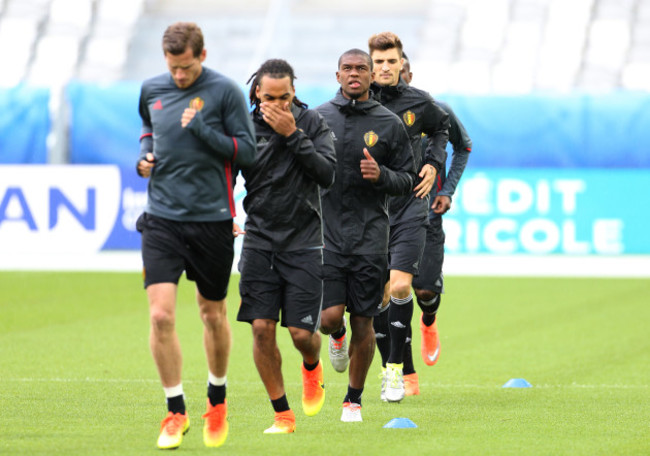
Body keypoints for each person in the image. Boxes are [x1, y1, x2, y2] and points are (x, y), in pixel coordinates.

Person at [135, 22, 256, 450]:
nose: (179, 76)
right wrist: (144, 157)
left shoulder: (225, 93)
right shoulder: (152, 89)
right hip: (162, 218)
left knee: (212, 313)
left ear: (201, 56)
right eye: (173, 68)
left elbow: (249, 152)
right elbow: (150, 130)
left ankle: (217, 399)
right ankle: (174, 411)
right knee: (161, 316)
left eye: (186, 68)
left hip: (212, 220)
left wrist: (203, 131)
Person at [235, 59, 336, 434]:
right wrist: (222, 209)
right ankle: (282, 415)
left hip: (305, 244)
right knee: (261, 328)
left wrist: (293, 134)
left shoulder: (311, 124)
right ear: (256, 94)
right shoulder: (243, 127)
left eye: (286, 97)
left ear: (295, 92)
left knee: (300, 336)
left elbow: (327, 174)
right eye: (270, 98)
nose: (278, 105)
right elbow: (223, 171)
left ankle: (311, 366)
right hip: (259, 241)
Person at [316, 49, 416, 422]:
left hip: (371, 239)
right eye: (348, 69)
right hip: (325, 237)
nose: (354, 74)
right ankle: (334, 335)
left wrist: (382, 176)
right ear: (337, 75)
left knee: (365, 322)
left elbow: (407, 179)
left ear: (372, 76)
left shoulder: (388, 123)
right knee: (328, 318)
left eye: (362, 69)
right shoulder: (318, 118)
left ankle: (352, 400)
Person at [367, 32, 450, 402]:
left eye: (391, 61)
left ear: (402, 64)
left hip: (410, 207)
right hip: (368, 212)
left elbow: (442, 129)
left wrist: (433, 163)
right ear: (369, 66)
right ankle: (398, 368)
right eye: (378, 61)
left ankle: (398, 371)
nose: (385, 67)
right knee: (378, 299)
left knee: (404, 287)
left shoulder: (420, 102)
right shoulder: (357, 102)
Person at [404, 53, 472, 382]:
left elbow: (464, 147)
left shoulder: (435, 111)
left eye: (399, 69)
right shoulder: (367, 115)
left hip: (427, 215)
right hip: (382, 219)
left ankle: (428, 320)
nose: (391, 75)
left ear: (409, 74)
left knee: (425, 292)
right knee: (390, 295)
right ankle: (405, 373)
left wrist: (447, 190)